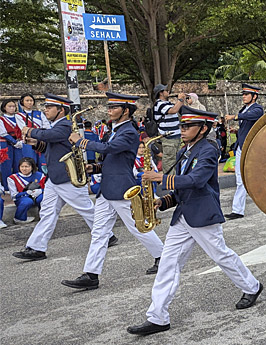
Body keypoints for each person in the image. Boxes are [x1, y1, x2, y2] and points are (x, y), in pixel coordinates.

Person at [126, 106, 263, 336]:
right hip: (183, 215)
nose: (182, 129)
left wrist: (160, 177)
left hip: (202, 213)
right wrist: (163, 201)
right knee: (168, 263)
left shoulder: (209, 150)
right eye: (182, 125)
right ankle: (158, 317)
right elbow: (183, 187)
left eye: (188, 126)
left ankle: (252, 286)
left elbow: (197, 180)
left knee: (221, 255)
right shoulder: (185, 150)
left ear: (203, 129)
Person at [61, 92, 165, 291]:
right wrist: (95, 168)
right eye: (109, 107)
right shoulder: (114, 130)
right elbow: (112, 160)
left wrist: (81, 141)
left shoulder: (129, 132)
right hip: (107, 188)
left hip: (121, 188)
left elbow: (110, 148)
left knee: (137, 227)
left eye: (114, 107)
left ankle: (163, 257)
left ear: (126, 111)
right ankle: (91, 274)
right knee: (99, 232)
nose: (109, 111)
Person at [12, 94, 97, 261]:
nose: (46, 110)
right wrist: (35, 143)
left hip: (67, 177)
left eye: (49, 107)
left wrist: (30, 130)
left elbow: (49, 135)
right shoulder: (56, 127)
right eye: (46, 107)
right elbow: (51, 147)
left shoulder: (64, 126)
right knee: (47, 212)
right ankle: (36, 247)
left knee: (86, 210)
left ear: (61, 110)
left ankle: (106, 235)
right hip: (55, 177)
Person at [223, 84, 265, 220]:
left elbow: (252, 116)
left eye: (246, 94)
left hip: (251, 148)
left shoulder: (257, 109)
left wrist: (234, 117)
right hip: (241, 147)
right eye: (243, 94)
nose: (244, 96)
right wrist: (236, 131)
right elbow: (246, 125)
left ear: (254, 96)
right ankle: (237, 210)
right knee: (240, 179)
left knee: (255, 177)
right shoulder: (244, 109)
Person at [152, 84, 185, 171]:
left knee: (177, 160)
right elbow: (173, 110)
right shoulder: (159, 104)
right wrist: (180, 100)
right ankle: (168, 178)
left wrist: (182, 100)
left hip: (176, 136)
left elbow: (178, 108)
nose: (168, 92)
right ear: (161, 93)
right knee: (169, 160)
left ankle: (175, 177)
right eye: (166, 90)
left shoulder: (168, 103)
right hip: (168, 137)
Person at [8, 157, 45, 224]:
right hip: (22, 198)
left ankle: (44, 215)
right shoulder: (12, 178)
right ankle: (19, 218)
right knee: (27, 201)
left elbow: (47, 188)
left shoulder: (39, 175)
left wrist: (41, 191)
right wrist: (27, 193)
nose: (24, 169)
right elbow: (14, 195)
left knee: (43, 197)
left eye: (27, 166)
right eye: (22, 166)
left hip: (37, 196)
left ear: (32, 167)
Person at [18, 94, 49, 171]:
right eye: (27, 101)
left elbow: (46, 126)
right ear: (22, 102)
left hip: (40, 141)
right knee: (30, 162)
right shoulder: (19, 115)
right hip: (28, 142)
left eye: (31, 101)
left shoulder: (39, 113)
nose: (29, 102)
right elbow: (23, 128)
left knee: (43, 162)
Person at [1, 100, 26, 190]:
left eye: (13, 106)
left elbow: (24, 129)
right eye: (9, 106)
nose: (12, 108)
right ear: (4, 107)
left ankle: (18, 186)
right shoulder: (1, 119)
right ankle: (7, 187)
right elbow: (3, 133)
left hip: (19, 144)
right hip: (6, 145)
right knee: (6, 166)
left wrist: (22, 141)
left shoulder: (18, 117)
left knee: (18, 164)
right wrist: (14, 142)